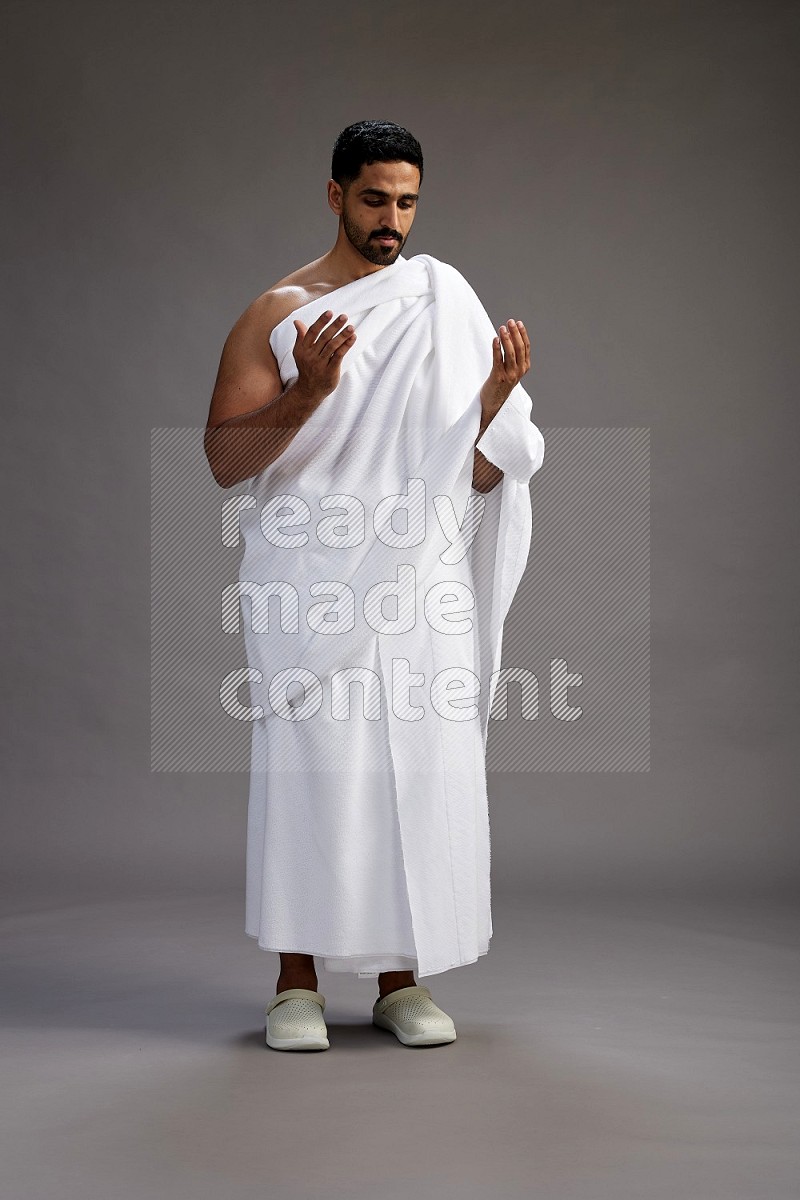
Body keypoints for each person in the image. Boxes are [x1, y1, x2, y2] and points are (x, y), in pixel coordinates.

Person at [204, 120, 545, 1050]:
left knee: (417, 774)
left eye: (407, 202)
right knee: (314, 774)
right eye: (373, 199)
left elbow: (472, 480)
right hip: (313, 580)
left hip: (416, 581)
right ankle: (295, 986)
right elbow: (225, 459)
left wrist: (483, 416)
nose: (392, 220)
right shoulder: (279, 310)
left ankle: (402, 981)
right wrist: (304, 395)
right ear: (333, 194)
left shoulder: (443, 303)